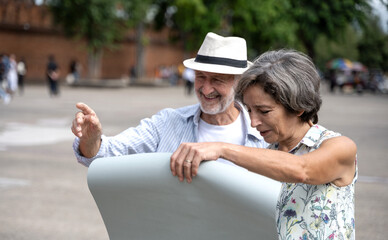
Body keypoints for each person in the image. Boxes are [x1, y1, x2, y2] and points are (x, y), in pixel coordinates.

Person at [170, 49, 358, 240]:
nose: (253, 122)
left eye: (264, 111)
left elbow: (303, 169)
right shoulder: (265, 152)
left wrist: (221, 148)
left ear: (298, 106)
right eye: (249, 110)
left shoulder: (339, 146)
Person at [71, 32, 268, 167]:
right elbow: (108, 153)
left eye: (217, 80)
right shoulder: (167, 123)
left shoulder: (264, 134)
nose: (206, 89)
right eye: (200, 77)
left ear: (239, 82)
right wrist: (91, 140)